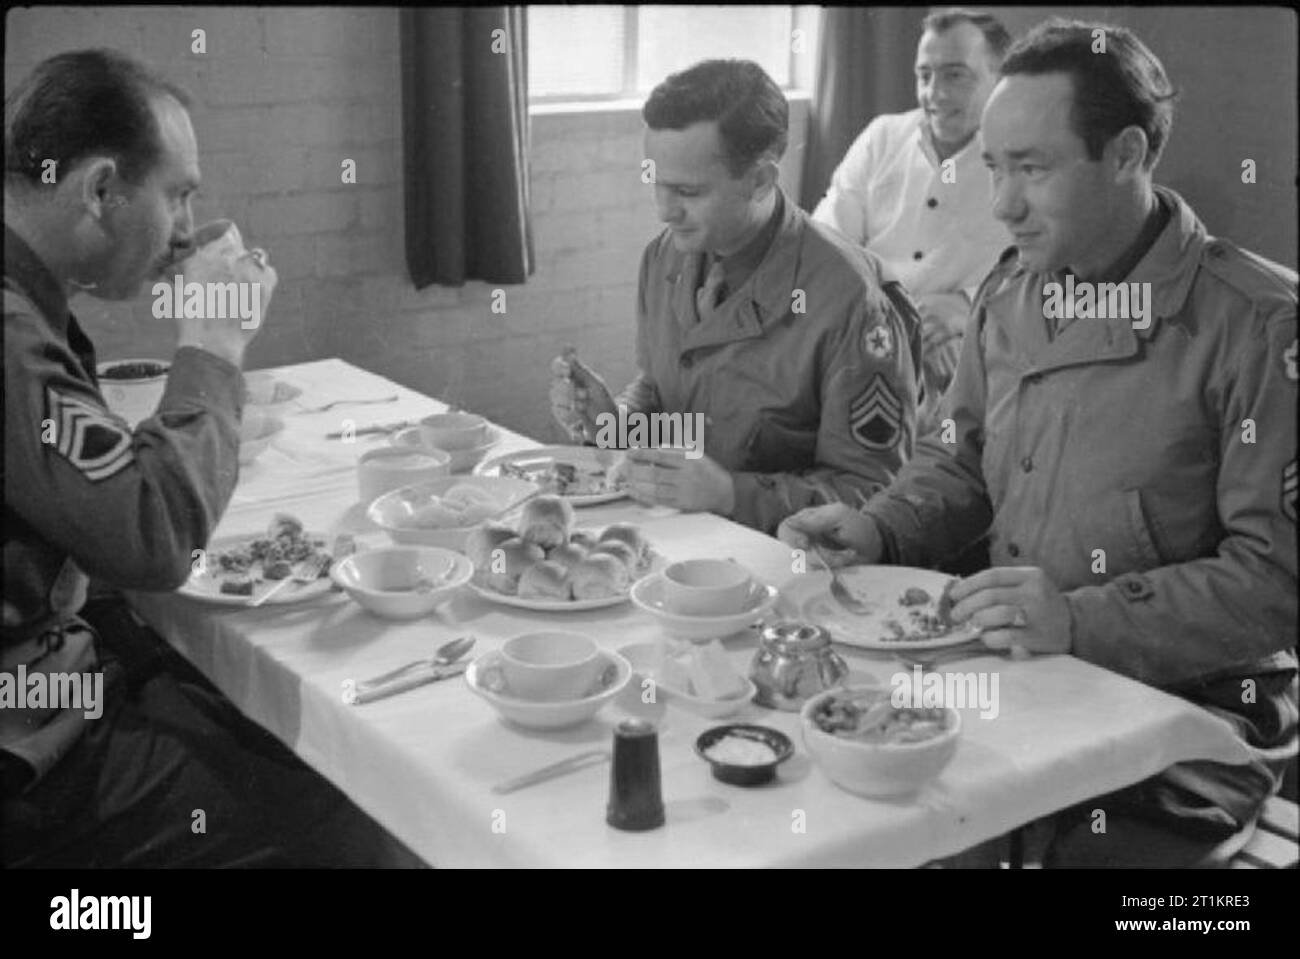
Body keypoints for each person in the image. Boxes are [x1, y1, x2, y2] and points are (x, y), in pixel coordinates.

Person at [780, 20, 1297, 867]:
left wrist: (1081, 618)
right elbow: (957, 460)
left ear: (1127, 153)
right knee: (850, 798)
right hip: (1022, 673)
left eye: (1032, 167)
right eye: (993, 166)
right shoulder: (1013, 292)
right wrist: (879, 527)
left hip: (1187, 718)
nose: (1003, 203)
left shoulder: (1255, 326)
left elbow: (1277, 579)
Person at [2, 49, 414, 867]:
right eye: (179, 194)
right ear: (99, 190)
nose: (188, 229)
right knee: (356, 817)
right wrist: (216, 335)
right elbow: (153, 539)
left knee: (262, 718)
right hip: (27, 739)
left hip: (51, 672)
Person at [549, 59, 923, 535]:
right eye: (655, 183)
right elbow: (677, 412)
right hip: (675, 537)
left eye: (686, 191)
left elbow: (873, 493)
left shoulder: (851, 301)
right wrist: (614, 424)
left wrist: (730, 494)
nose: (664, 211)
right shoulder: (665, 258)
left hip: (788, 563)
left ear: (761, 180)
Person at [812, 8, 1013, 434]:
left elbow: (1048, 276)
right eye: (925, 75)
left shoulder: (1023, 161)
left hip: (974, 347)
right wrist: (892, 317)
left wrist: (966, 305)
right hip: (867, 333)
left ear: (1000, 78)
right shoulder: (882, 137)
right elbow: (824, 249)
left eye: (956, 75)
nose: (935, 93)